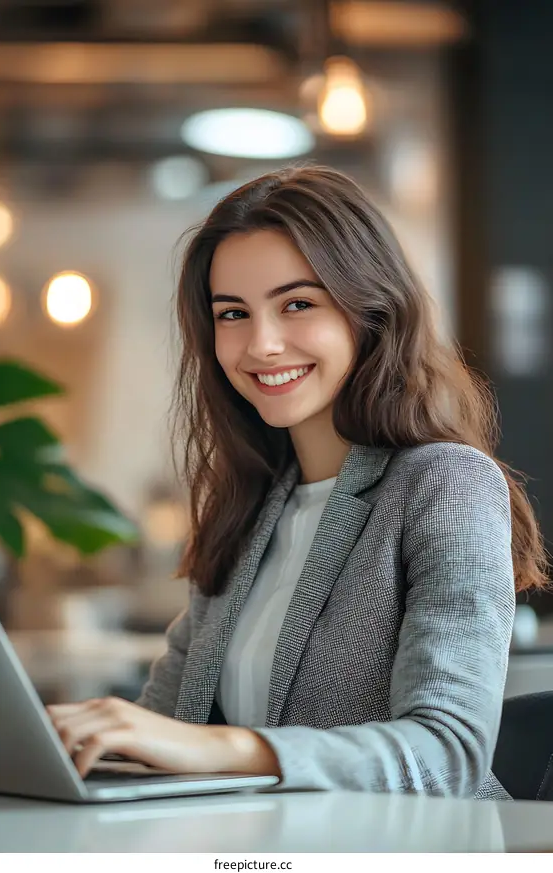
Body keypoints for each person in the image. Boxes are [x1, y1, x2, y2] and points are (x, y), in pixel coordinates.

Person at [48, 165, 549, 798]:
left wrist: (225, 748)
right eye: (232, 313)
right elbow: (166, 729)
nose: (261, 344)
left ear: (370, 309)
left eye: (297, 304)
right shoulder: (250, 506)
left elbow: (447, 757)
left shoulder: (444, 485)